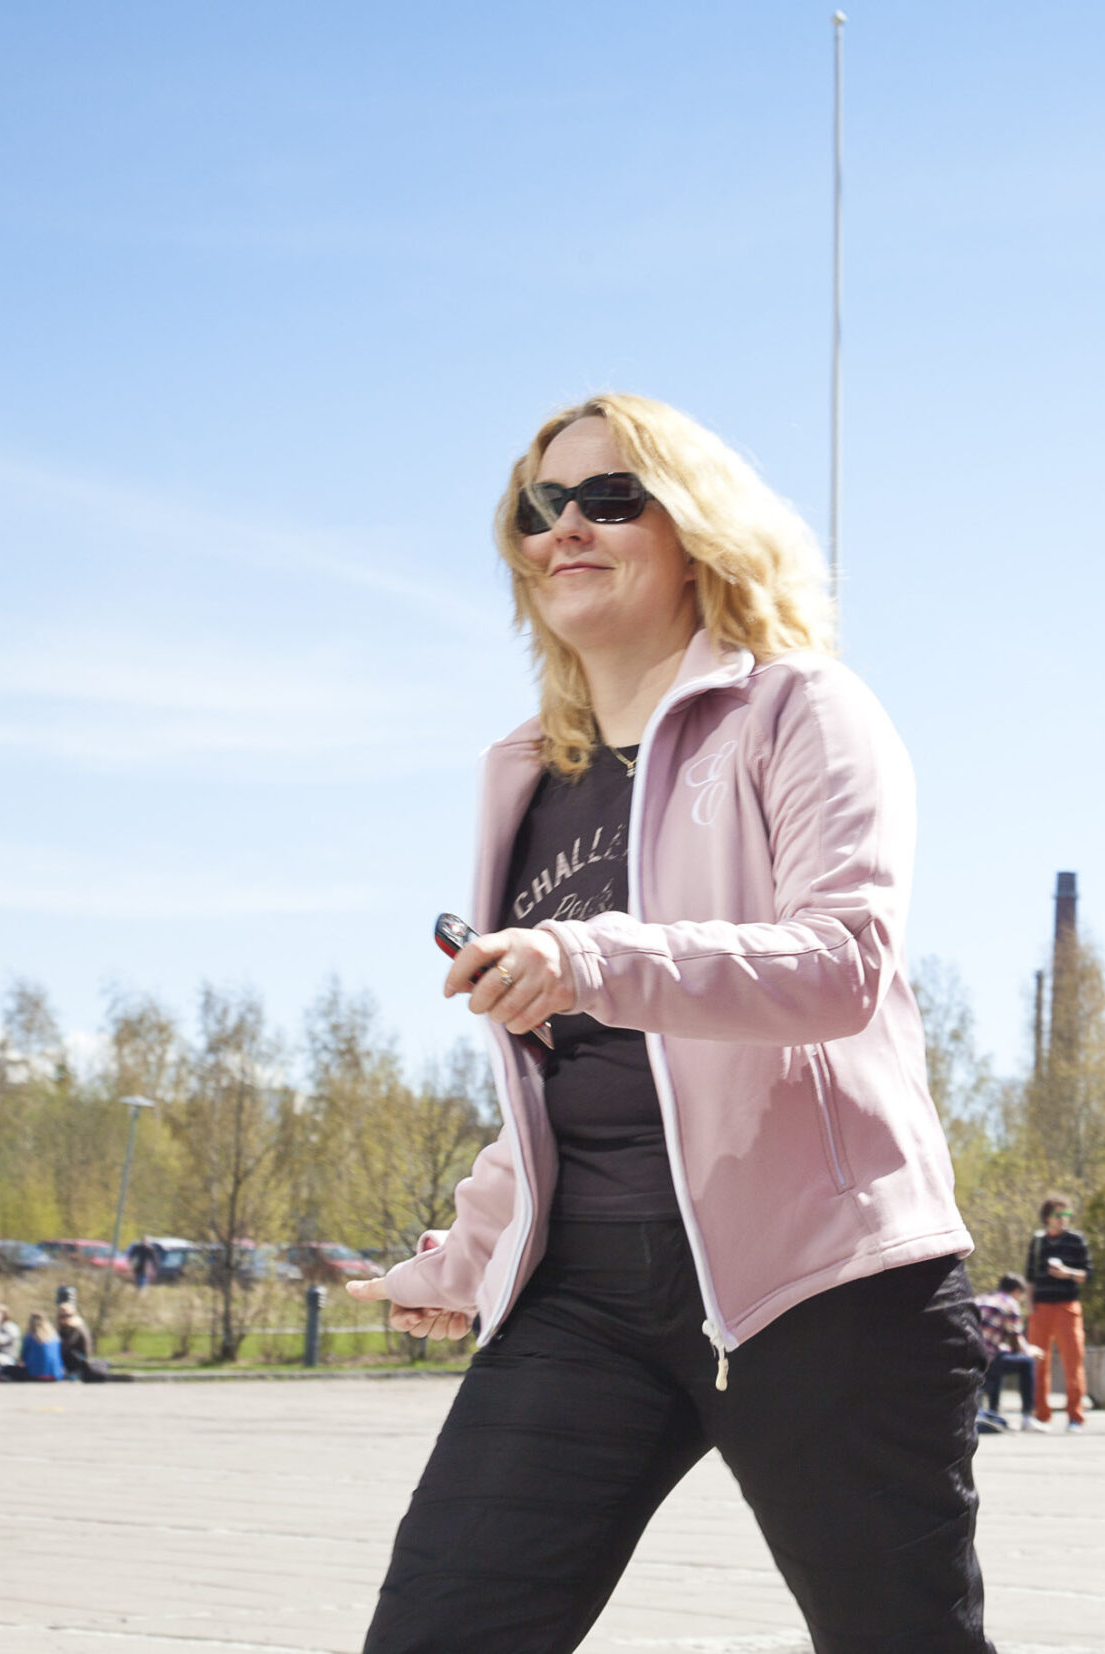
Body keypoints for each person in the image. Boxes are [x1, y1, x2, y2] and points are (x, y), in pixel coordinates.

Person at [343, 393, 990, 1654]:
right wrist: (476, 1248)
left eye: (609, 497)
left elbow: (838, 963)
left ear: (697, 528)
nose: (564, 529)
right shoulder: (530, 777)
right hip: (584, 1296)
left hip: (824, 1288)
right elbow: (570, 1083)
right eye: (539, 509)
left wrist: (587, 955)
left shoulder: (799, 709)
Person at [1023, 1196, 1091, 1432]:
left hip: (1067, 1307)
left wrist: (1067, 1273)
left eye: (1066, 1215)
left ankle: (1075, 1417)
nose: (1063, 1220)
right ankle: (1041, 1416)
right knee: (1038, 1363)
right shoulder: (1038, 1241)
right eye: (1058, 1215)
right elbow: (1029, 1278)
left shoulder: (1076, 1241)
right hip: (1040, 1309)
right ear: (1047, 1217)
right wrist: (1029, 1306)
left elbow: (1086, 1275)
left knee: (1073, 1363)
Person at [972, 1272, 1036, 1430]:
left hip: (967, 1356)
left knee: (1000, 1357)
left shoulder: (980, 1299)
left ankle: (993, 1411)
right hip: (986, 1359)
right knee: (1027, 1363)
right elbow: (1016, 1342)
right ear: (1016, 1292)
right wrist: (1030, 1351)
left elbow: (986, 1337)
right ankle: (1027, 1417)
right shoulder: (1010, 1303)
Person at [13, 1313, 63, 1382]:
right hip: (56, 1374)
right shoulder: (55, 1336)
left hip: (35, 1374)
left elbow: (24, 1357)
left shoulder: (30, 1337)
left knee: (8, 1369)